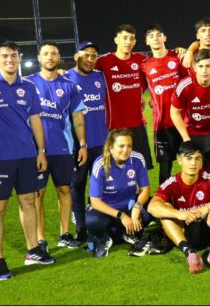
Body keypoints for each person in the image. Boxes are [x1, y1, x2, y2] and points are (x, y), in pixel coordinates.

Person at [0, 42, 54, 280]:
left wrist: (41, 150)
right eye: (4, 56)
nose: (10, 60)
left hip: (27, 155)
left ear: (19, 59)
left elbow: (36, 120)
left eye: (14, 56)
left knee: (29, 200)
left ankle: (33, 250)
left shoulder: (27, 87)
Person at [26, 42, 87, 253]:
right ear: (38, 58)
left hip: (63, 148)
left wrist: (82, 145)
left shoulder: (69, 85)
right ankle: (40, 238)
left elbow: (78, 117)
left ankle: (64, 233)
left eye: (54, 53)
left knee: (64, 190)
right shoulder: (27, 83)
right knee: (37, 195)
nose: (50, 57)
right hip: (35, 151)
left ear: (59, 57)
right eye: (45, 53)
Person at [148, 141, 210, 273]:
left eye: (197, 159)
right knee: (165, 208)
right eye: (188, 158)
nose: (193, 163)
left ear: (201, 161)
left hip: (208, 229)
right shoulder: (172, 182)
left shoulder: (207, 176)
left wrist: (206, 208)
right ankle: (190, 253)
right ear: (179, 160)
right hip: (184, 233)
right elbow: (152, 207)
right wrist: (179, 214)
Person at [170, 49, 210, 196]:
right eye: (201, 66)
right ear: (194, 67)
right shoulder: (185, 85)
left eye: (208, 66)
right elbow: (174, 112)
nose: (204, 70)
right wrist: (186, 139)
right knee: (200, 172)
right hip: (195, 134)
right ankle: (202, 206)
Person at [65, 41, 109, 243]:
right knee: (77, 187)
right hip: (77, 145)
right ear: (76, 56)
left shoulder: (101, 77)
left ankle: (101, 225)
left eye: (94, 56)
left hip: (102, 141)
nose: (90, 60)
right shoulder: (65, 78)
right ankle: (81, 228)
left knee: (102, 186)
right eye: (86, 55)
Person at [86, 129, 152, 257]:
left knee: (152, 207)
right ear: (111, 148)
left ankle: (128, 234)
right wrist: (121, 216)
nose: (126, 150)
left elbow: (145, 190)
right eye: (121, 146)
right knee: (92, 220)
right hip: (108, 212)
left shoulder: (137, 159)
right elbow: (95, 202)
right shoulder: (101, 164)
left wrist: (137, 208)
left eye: (129, 146)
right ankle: (104, 239)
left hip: (129, 207)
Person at [96, 24, 153, 170]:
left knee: (141, 166)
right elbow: (83, 70)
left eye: (132, 39)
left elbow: (159, 67)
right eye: (125, 38)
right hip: (114, 125)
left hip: (138, 123)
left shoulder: (141, 60)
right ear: (116, 40)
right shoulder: (104, 61)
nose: (128, 42)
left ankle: (143, 193)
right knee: (116, 167)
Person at [141, 24, 189, 183]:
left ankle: (192, 198)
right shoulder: (145, 65)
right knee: (165, 168)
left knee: (190, 163)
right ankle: (163, 202)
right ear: (147, 41)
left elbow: (189, 83)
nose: (155, 38)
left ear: (164, 38)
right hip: (161, 123)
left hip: (183, 121)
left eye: (158, 34)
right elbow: (138, 88)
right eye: (151, 36)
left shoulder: (177, 57)